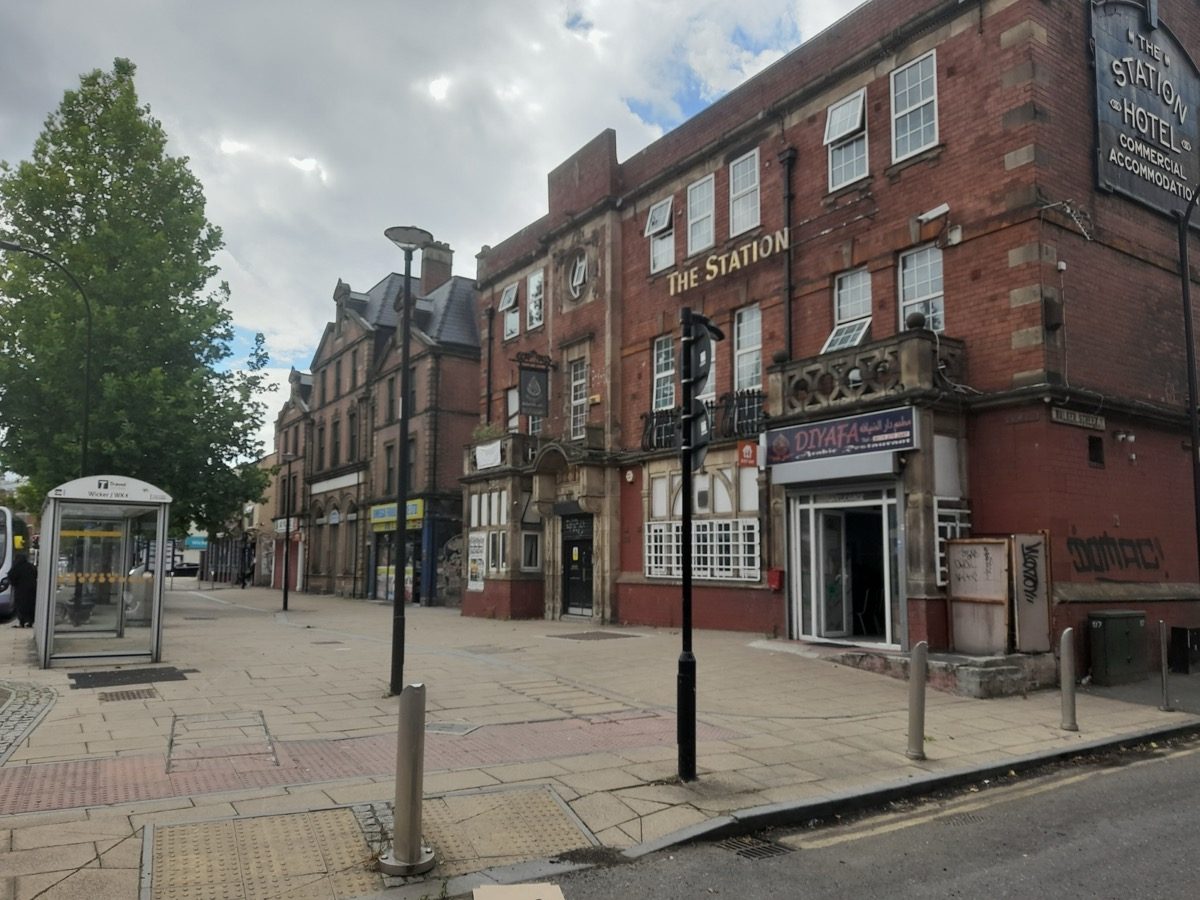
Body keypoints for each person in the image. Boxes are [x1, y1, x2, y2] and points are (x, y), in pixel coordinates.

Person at [1, 552, 38, 628]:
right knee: (31, 605)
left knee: (21, 606)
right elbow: (35, 574)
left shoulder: (17, 567)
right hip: (32, 590)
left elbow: (11, 576)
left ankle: (22, 622)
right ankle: (30, 622)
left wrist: (14, 583)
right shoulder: (30, 566)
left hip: (21, 590)